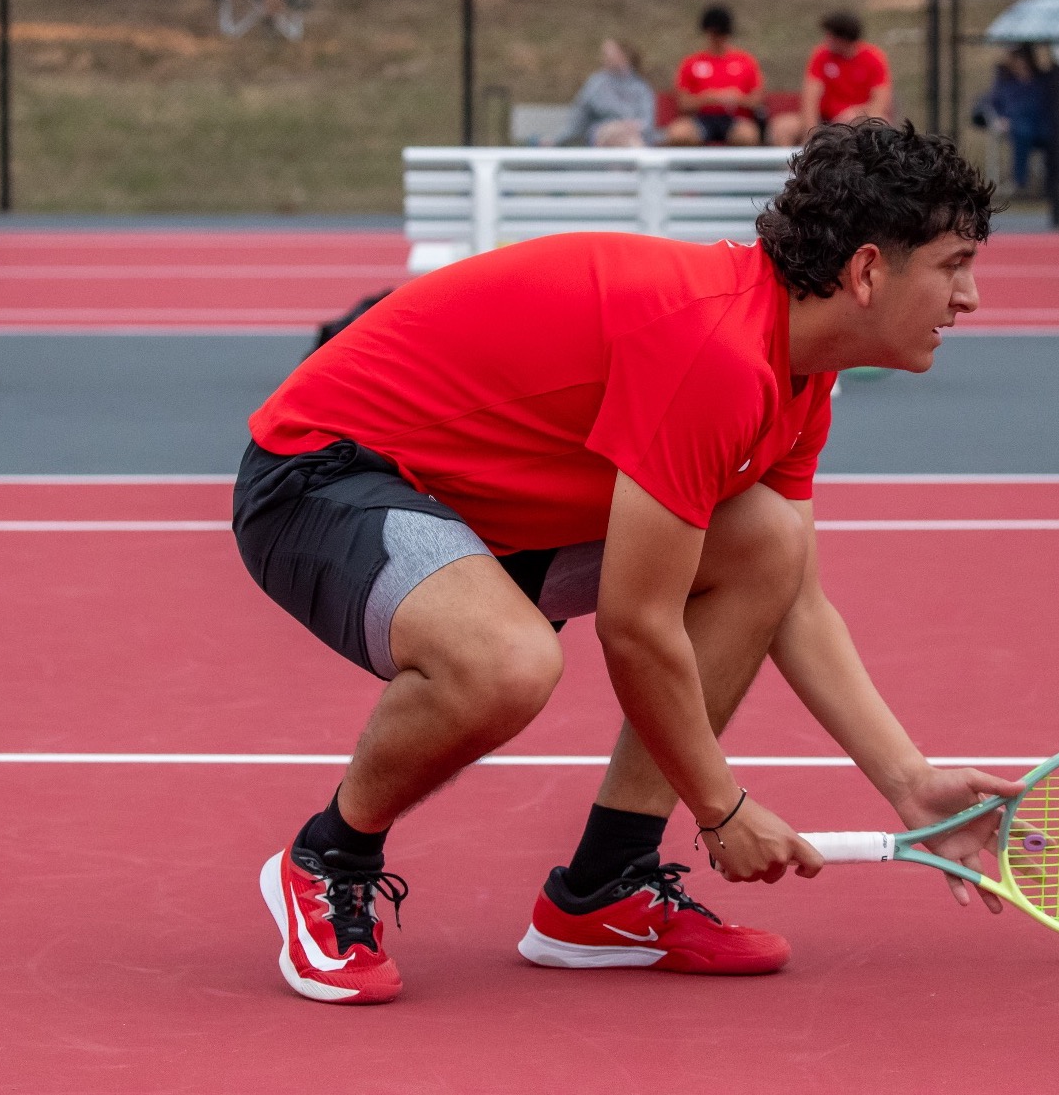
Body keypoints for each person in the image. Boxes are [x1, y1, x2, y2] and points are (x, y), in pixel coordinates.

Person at [235, 119, 1014, 1006]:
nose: (971, 299)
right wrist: (720, 810)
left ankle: (604, 890)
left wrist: (911, 784)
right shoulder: (715, 354)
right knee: (508, 661)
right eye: (954, 265)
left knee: (768, 543)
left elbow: (792, 600)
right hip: (320, 472)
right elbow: (636, 626)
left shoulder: (796, 371)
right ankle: (326, 857)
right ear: (869, 270)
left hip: (480, 508)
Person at [768, 12, 893, 148]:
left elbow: (880, 103)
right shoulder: (821, 55)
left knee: (875, 125)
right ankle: (789, 167)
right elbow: (810, 98)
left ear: (843, 39)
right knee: (782, 127)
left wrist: (856, 113)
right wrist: (812, 132)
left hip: (858, 120)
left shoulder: (873, 58)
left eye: (831, 36)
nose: (826, 40)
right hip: (825, 120)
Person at [663, 5, 764, 147]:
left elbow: (757, 101)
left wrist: (736, 98)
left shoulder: (745, 61)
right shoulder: (691, 63)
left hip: (735, 119)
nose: (717, 38)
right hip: (701, 119)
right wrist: (708, 98)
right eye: (714, 33)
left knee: (747, 134)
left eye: (721, 33)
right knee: (679, 133)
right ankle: (692, 168)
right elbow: (683, 103)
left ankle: (736, 169)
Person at [972, 44, 1053, 197]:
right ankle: (1020, 182)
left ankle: (1051, 182)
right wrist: (999, 119)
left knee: (1053, 136)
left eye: (1023, 58)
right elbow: (991, 102)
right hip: (1017, 125)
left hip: (1042, 124)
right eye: (1017, 59)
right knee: (1023, 131)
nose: (1020, 63)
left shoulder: (1042, 81)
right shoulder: (1005, 83)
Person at [557, 38, 659, 148]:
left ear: (623, 55)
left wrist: (632, 126)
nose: (604, 58)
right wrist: (560, 139)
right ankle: (645, 162)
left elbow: (647, 121)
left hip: (633, 134)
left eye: (607, 54)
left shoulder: (640, 87)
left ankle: (637, 159)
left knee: (628, 138)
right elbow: (580, 114)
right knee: (617, 135)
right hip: (601, 133)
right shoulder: (597, 83)